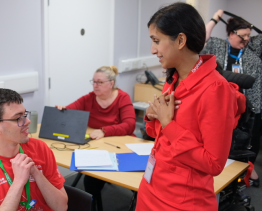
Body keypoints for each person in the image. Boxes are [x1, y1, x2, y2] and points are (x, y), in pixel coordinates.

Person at [136, 3, 238, 210]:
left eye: (157, 41)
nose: (153, 49)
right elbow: (159, 135)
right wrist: (151, 116)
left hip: (181, 201)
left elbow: (213, 163)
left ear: (181, 40)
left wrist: (168, 123)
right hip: (152, 187)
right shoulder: (173, 78)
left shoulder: (215, 89)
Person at [0, 89, 68, 211]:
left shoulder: (40, 148)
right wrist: (18, 182)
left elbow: (61, 207)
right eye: (18, 118)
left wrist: (36, 173)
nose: (28, 121)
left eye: (25, 115)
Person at [56, 65, 136, 210]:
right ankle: (93, 205)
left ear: (111, 83)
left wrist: (104, 131)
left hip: (122, 146)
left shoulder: (122, 97)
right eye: (93, 81)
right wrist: (63, 110)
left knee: (134, 183)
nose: (95, 85)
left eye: (99, 82)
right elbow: (70, 110)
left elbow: (129, 125)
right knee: (91, 181)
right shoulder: (89, 98)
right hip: (98, 147)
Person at [202, 9, 262, 187]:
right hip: (219, 104)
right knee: (221, 140)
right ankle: (224, 170)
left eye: (248, 36)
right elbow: (200, 39)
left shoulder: (253, 52)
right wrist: (215, 19)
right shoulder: (217, 46)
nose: (246, 40)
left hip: (246, 106)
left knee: (247, 139)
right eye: (242, 36)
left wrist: (256, 111)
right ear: (230, 33)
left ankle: (247, 167)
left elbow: (256, 86)